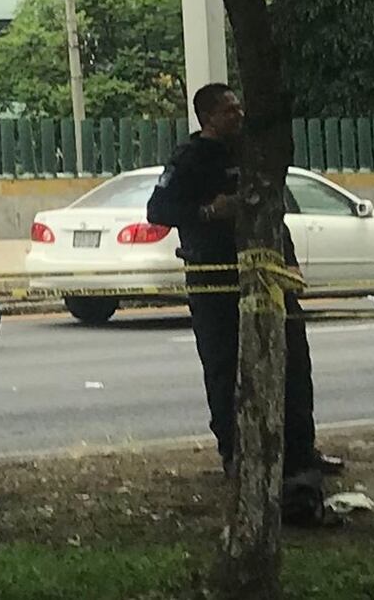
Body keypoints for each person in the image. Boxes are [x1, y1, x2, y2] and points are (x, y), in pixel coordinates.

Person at [146, 83, 343, 485]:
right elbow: (158, 210)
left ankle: (300, 452)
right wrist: (207, 211)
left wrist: (290, 264)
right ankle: (234, 453)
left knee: (293, 360)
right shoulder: (190, 159)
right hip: (216, 280)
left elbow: (272, 212)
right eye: (228, 111)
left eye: (239, 108)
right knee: (224, 366)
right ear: (208, 118)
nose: (237, 116)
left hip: (267, 276)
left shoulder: (253, 153)